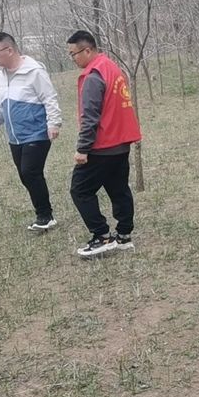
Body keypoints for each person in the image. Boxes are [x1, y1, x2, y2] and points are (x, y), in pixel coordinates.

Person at [67, 30, 142, 257]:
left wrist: (82, 149)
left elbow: (90, 117)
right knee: (119, 189)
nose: (73, 58)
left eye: (74, 54)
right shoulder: (111, 67)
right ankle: (124, 235)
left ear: (87, 50)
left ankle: (102, 236)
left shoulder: (93, 75)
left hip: (103, 145)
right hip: (121, 142)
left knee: (80, 189)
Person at [0, 32, 62, 231]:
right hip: (15, 137)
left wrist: (54, 123)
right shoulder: (0, 78)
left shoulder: (34, 72)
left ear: (9, 50)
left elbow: (49, 98)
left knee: (30, 172)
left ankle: (45, 216)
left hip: (37, 132)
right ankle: (43, 214)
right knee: (25, 176)